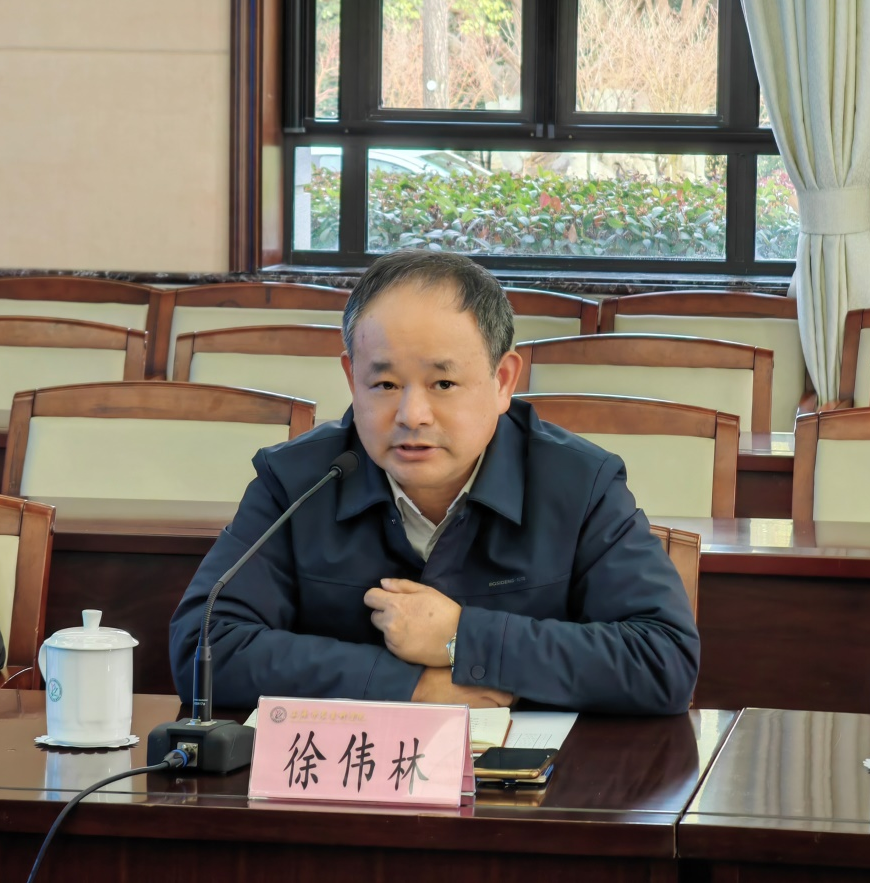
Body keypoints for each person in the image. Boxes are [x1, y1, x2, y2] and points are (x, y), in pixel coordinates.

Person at [169, 251, 700, 713]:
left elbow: (663, 660)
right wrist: (412, 687)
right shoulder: (296, 481)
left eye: (443, 383)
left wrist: (461, 637)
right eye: (384, 384)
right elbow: (204, 649)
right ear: (351, 378)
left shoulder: (578, 483)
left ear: (502, 381)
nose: (412, 414)